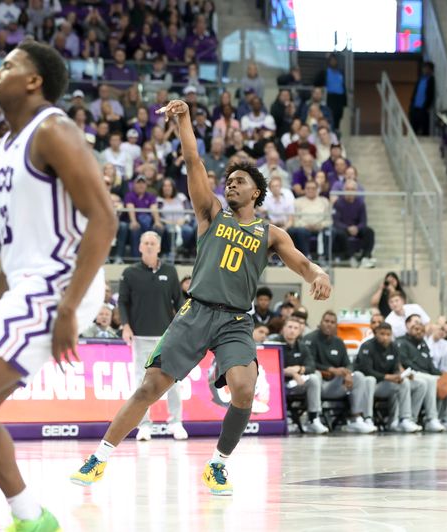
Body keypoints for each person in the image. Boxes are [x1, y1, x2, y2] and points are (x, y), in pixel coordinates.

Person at [69, 98, 331, 495]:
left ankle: (218, 465)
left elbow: (302, 264)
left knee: (244, 390)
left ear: (257, 191)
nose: (231, 184)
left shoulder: (271, 233)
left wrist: (318, 273)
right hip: (195, 312)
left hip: (236, 321)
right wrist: (185, 120)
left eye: (240, 181)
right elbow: (193, 161)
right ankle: (99, 458)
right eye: (229, 180)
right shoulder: (211, 213)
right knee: (149, 388)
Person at [0, 41, 116, 531]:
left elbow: (105, 218)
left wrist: (68, 306)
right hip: (31, 282)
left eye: (8, 65)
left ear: (33, 81)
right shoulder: (3, 150)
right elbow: (9, 261)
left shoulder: (54, 129)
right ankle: (32, 517)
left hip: (60, 280)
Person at [117, 231, 187, 441]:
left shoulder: (170, 271)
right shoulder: (130, 273)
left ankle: (176, 422)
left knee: (173, 381)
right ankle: (144, 425)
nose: (149, 246)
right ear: (139, 247)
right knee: (141, 383)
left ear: (158, 247)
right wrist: (125, 326)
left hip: (167, 337)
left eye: (153, 243)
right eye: (145, 243)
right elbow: (122, 302)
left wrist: (184, 328)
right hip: (140, 337)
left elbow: (180, 302)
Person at [306, 311, 375, 433]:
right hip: (317, 384)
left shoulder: (338, 342)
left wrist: (348, 374)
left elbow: (348, 363)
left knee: (358, 376)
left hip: (334, 385)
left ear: (336, 326)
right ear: (320, 323)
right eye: (326, 321)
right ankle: (313, 419)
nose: (329, 325)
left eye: (332, 322)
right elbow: (309, 364)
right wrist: (330, 369)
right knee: (315, 376)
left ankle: (356, 419)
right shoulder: (310, 339)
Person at [396, 314, 447, 432]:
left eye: (422, 330)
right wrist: (432, 375)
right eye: (416, 329)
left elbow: (430, 365)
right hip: (410, 374)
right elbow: (405, 363)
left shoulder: (423, 344)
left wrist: (443, 375)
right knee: (430, 379)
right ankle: (431, 419)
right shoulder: (401, 342)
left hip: (426, 374)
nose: (419, 332)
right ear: (409, 329)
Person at [355, 322, 424, 433]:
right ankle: (368, 419)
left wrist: (401, 375)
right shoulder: (367, 346)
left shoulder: (393, 347)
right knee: (369, 380)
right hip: (371, 384)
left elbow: (396, 367)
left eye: (388, 334)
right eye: (382, 334)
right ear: (375, 333)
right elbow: (366, 370)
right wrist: (387, 377)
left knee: (404, 382)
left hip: (385, 384)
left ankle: (405, 419)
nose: (385, 337)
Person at [276, 316, 329, 434]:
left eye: (295, 328)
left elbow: (311, 366)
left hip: (295, 384)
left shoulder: (302, 347)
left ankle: (313, 419)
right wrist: (287, 371)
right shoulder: (274, 343)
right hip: (276, 384)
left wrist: (299, 369)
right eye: (289, 327)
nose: (292, 330)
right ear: (283, 329)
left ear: (300, 332)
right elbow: (268, 367)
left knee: (315, 378)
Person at [409, 62, 435, 136]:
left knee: (424, 129)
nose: (425, 70)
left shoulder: (431, 80)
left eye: (427, 68)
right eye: (424, 68)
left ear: (431, 70)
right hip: (415, 107)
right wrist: (412, 104)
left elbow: (430, 95)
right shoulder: (420, 79)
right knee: (413, 127)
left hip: (423, 109)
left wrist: (426, 106)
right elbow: (415, 92)